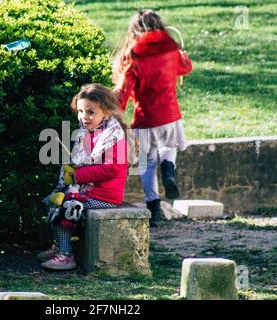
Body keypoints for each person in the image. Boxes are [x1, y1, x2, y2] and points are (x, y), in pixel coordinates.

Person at [113, 9, 193, 227]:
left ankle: (154, 208)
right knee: (170, 146)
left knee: (147, 164)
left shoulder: (132, 57)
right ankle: (168, 169)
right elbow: (186, 68)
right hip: (170, 115)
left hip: (145, 119)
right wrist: (184, 57)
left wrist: (114, 110)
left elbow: (124, 91)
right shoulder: (170, 49)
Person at [39, 83, 128, 270]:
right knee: (53, 201)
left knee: (66, 207)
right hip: (88, 190)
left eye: (90, 112)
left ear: (106, 111)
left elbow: (111, 168)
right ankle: (61, 245)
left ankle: (66, 256)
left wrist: (77, 175)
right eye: (80, 111)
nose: (84, 117)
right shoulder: (86, 132)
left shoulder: (113, 135)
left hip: (104, 196)